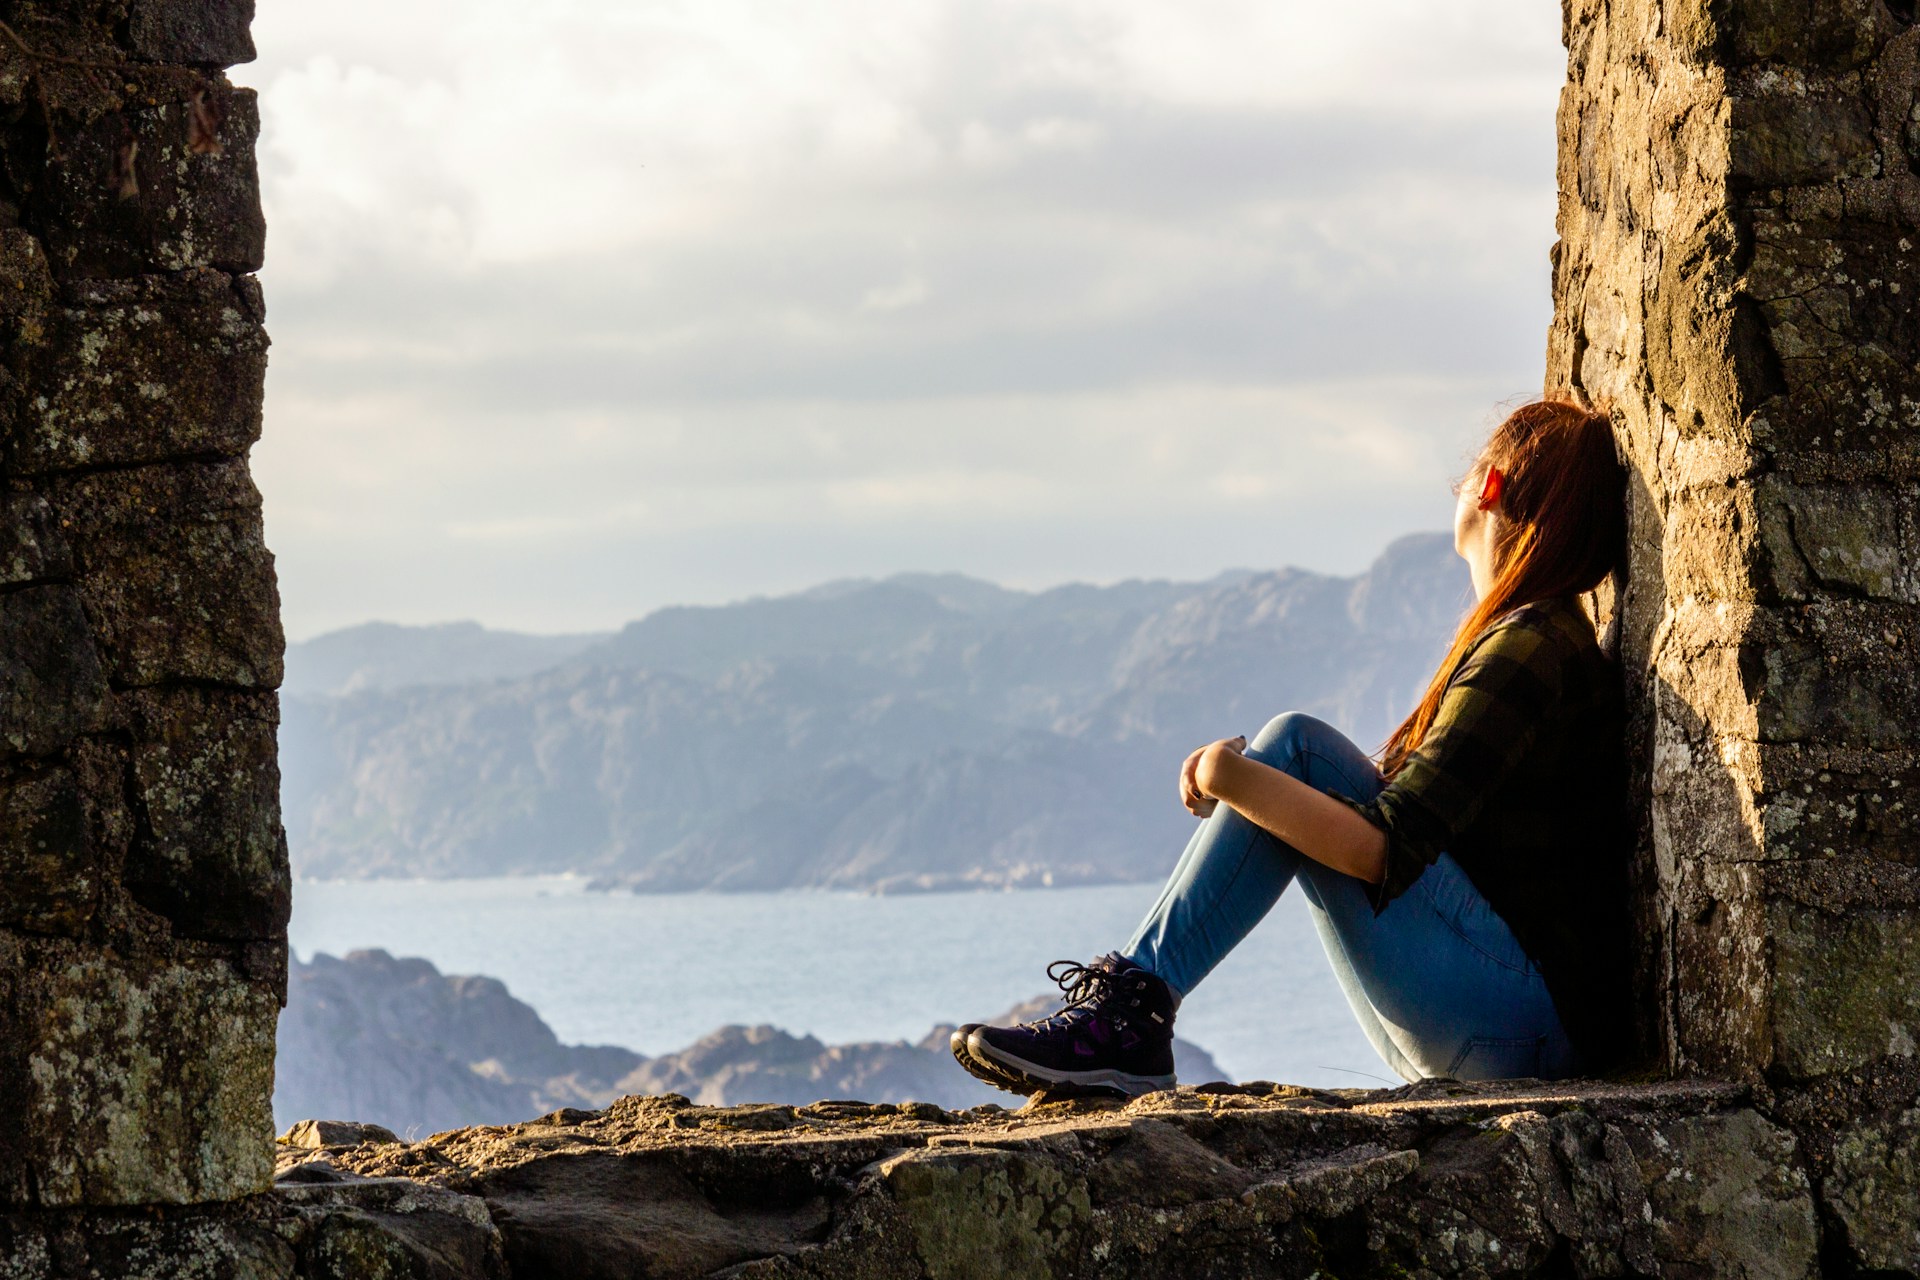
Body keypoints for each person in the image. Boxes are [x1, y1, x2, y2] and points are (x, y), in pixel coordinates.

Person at [952, 398, 1633, 1097]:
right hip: (1515, 1023)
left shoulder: (1529, 648)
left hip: (1526, 1031)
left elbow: (1380, 851)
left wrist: (1231, 775)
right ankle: (1132, 1010)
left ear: (1489, 485)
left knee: (1297, 748)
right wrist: (1255, 785)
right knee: (1291, 760)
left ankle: (1132, 1014)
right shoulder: (1539, 640)